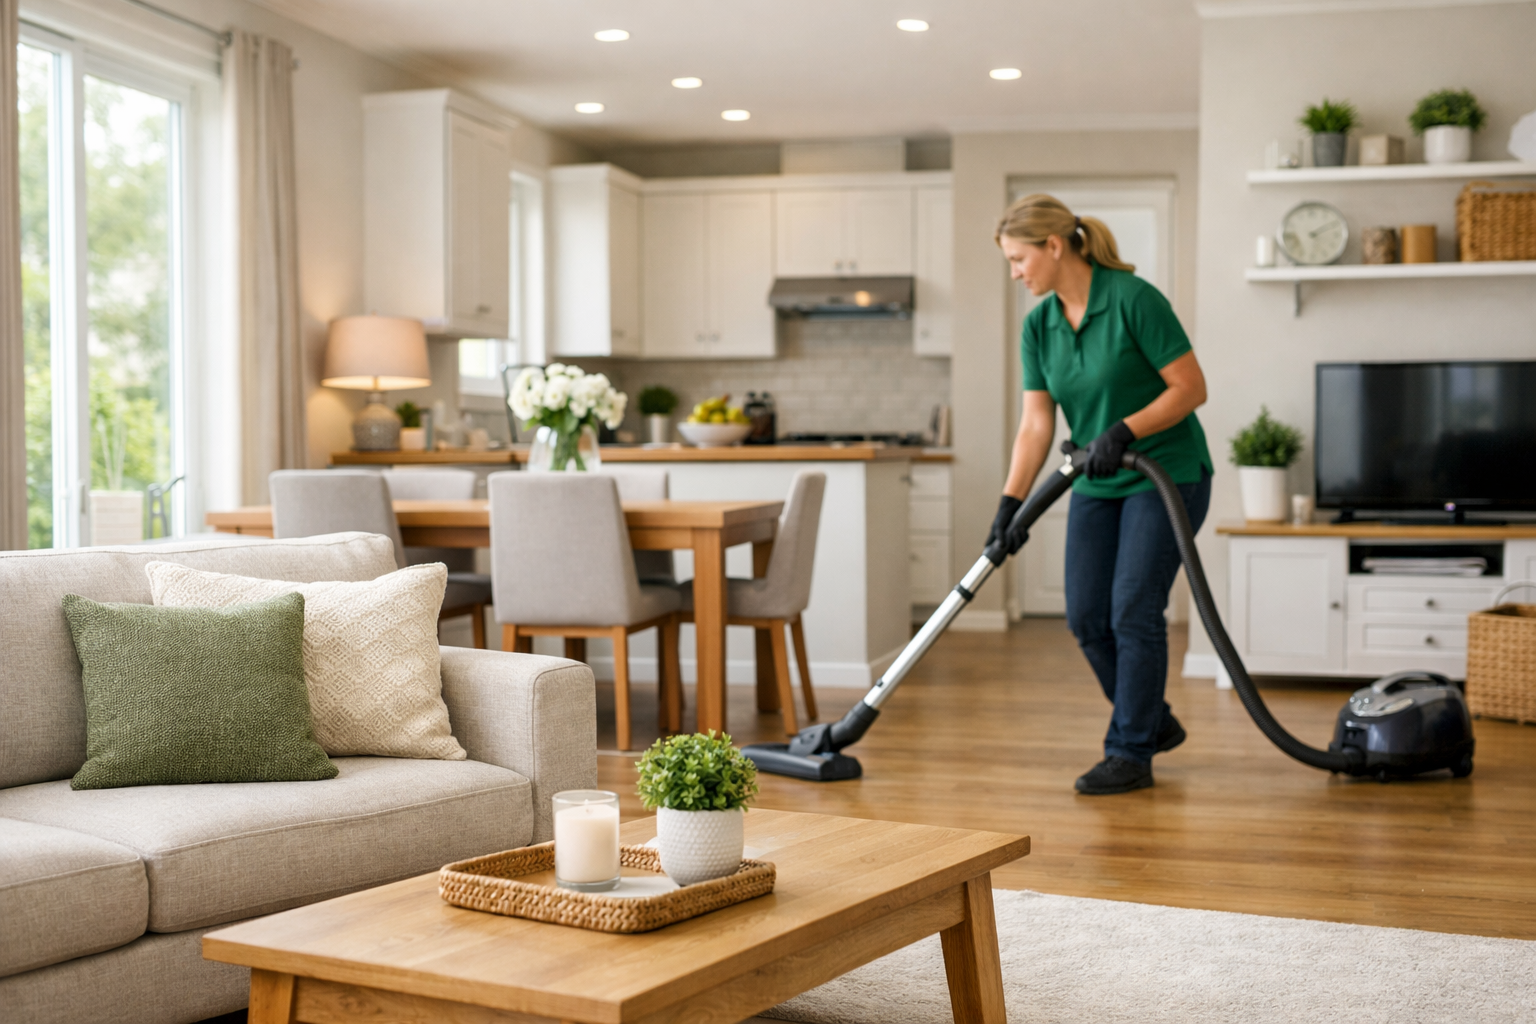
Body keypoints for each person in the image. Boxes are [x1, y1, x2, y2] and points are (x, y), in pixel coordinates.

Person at [989, 194, 1213, 795]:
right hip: (1097, 477)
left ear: (1053, 246)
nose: (1016, 273)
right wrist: (1010, 505)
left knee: (1133, 611)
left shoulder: (1133, 300)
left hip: (1166, 473)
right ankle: (1152, 719)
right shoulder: (1039, 326)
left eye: (1018, 259)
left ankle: (1130, 752)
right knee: (1087, 616)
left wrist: (1125, 430)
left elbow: (1191, 388)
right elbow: (1037, 424)